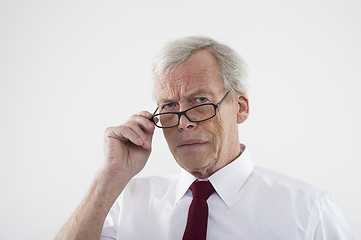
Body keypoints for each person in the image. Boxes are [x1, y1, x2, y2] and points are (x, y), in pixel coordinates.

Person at [55, 36, 354, 240]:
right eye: (170, 105)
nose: (183, 122)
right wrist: (108, 177)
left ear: (240, 108)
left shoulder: (308, 211)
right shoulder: (125, 203)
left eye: (200, 101)